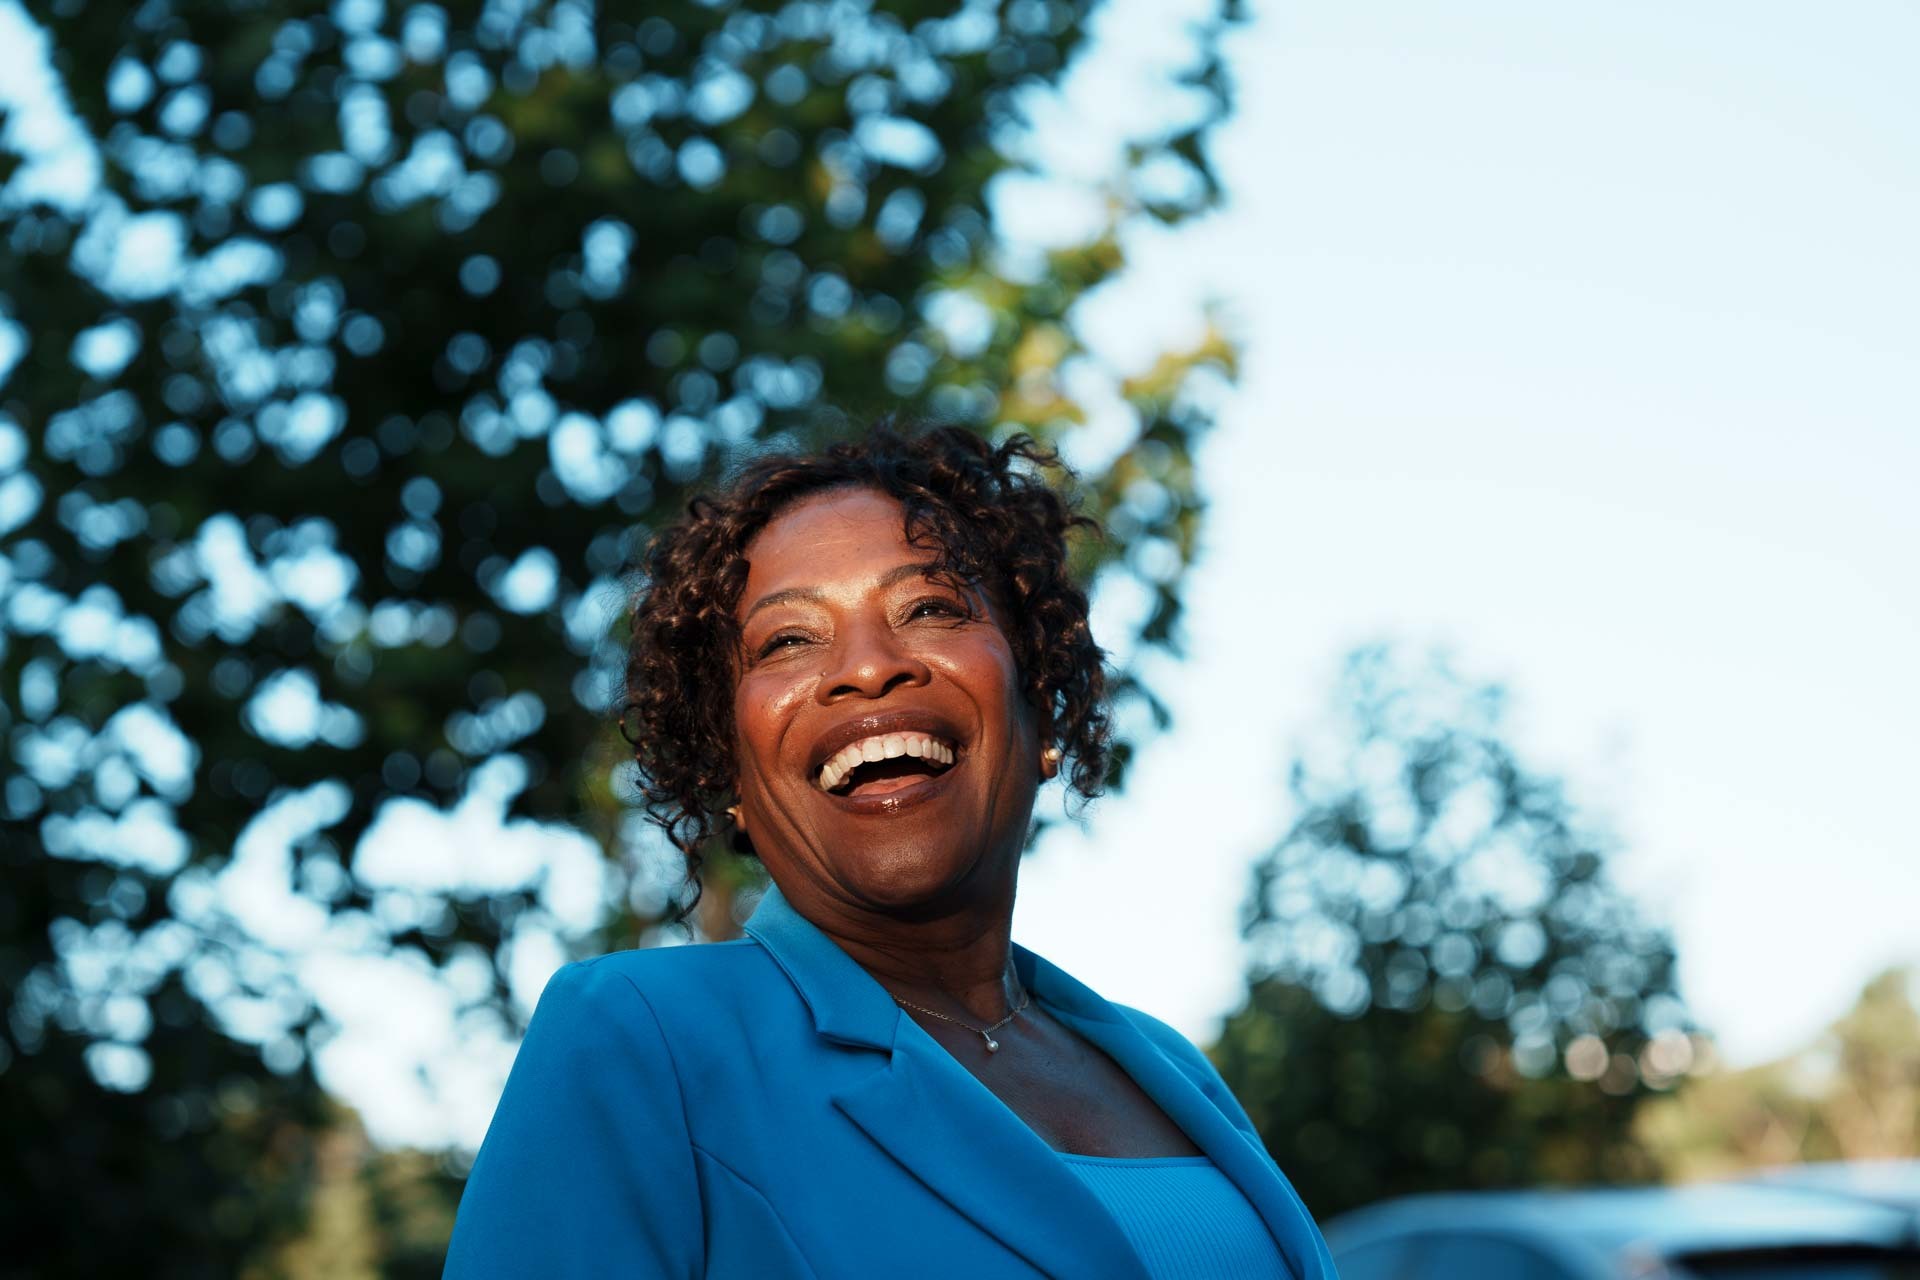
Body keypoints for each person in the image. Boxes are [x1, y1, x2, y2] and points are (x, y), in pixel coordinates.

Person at [443, 425, 1335, 1279]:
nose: (867, 668)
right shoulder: (642, 1041)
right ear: (732, 775)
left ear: (1043, 707)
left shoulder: (1171, 1068)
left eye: (930, 607)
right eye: (789, 640)